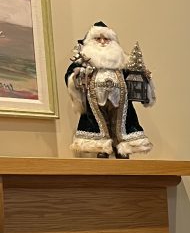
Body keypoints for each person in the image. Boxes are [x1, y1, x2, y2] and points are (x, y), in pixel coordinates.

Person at [64, 21, 155, 158]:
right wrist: (77, 76)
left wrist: (144, 78)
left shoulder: (121, 61)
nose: (102, 42)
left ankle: (121, 147)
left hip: (120, 99)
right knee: (98, 121)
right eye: (98, 39)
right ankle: (102, 147)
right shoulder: (84, 61)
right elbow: (71, 76)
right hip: (95, 99)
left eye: (106, 39)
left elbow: (133, 75)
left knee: (120, 121)